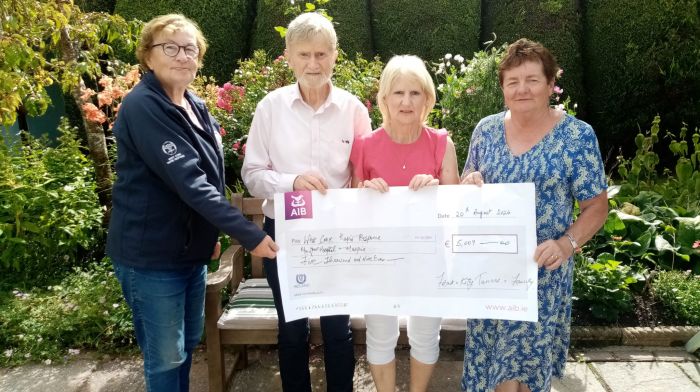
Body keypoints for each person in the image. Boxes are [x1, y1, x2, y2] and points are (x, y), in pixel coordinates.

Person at [106, 14, 278, 392]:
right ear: (147, 57)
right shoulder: (143, 106)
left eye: (190, 49)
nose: (182, 56)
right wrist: (248, 234)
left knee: (186, 345)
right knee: (166, 356)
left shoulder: (195, 105)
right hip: (151, 256)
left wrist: (205, 236)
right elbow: (191, 183)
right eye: (170, 47)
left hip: (189, 253)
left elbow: (212, 174)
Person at [459, 38, 608, 392]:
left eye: (532, 80)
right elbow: (467, 187)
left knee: (525, 374)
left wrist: (567, 244)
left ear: (550, 84)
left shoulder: (576, 136)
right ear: (503, 87)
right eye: (512, 81)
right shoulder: (486, 130)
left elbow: (597, 207)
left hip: (543, 271)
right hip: (491, 272)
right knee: (494, 369)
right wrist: (471, 183)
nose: (522, 89)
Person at [241, 12, 372, 392]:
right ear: (288, 55)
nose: (313, 64)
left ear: (335, 55)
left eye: (321, 54)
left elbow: (363, 171)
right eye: (304, 55)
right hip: (284, 235)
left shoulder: (354, 110)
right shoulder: (270, 108)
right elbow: (252, 175)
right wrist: (291, 182)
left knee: (337, 328)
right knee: (293, 328)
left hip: (337, 235)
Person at [350, 55, 460, 392]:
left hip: (429, 259)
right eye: (398, 93)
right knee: (380, 334)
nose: (407, 101)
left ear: (428, 99)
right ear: (384, 99)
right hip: (379, 261)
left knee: (425, 334)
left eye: (416, 93)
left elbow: (456, 205)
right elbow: (351, 204)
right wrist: (364, 191)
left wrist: (438, 189)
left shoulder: (442, 143)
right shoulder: (365, 146)